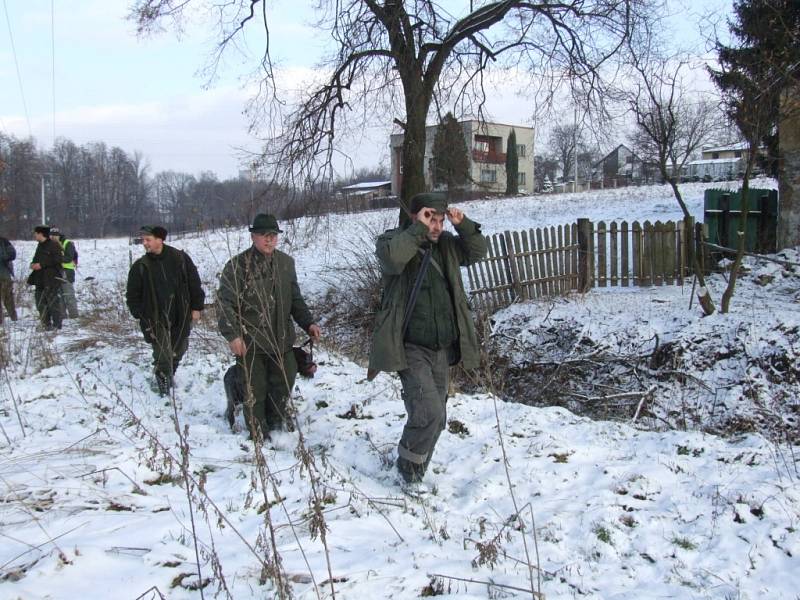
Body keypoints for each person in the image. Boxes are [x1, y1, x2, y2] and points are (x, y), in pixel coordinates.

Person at [368, 192, 487, 484]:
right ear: (414, 216)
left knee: (438, 418)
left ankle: (416, 466)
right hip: (410, 347)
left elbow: (477, 252)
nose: (435, 225)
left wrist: (464, 225)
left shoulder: (446, 245)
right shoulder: (392, 241)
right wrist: (417, 230)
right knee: (429, 413)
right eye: (429, 217)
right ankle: (407, 474)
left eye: (440, 219)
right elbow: (392, 261)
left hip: (441, 349)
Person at [217, 213, 321, 440]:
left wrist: (309, 323)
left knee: (282, 387)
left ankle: (277, 427)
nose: (269, 240)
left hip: (282, 343)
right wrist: (233, 336)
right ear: (253, 236)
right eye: (264, 235)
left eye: (273, 235)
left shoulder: (286, 263)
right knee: (256, 391)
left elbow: (295, 300)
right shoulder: (237, 266)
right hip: (251, 345)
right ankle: (258, 435)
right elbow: (225, 304)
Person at [126, 226, 205, 396]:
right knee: (162, 353)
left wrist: (197, 307)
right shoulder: (141, 266)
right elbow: (132, 295)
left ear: (160, 239)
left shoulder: (180, 259)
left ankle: (170, 371)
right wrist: (140, 314)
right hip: (154, 318)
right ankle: (164, 385)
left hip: (180, 313)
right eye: (143, 240)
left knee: (180, 347)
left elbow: (194, 283)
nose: (144, 243)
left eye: (148, 239)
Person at [27, 225, 64, 331]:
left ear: (40, 233)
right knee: (40, 303)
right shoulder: (40, 245)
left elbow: (58, 260)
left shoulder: (53, 245)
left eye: (35, 233)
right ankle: (46, 324)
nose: (34, 235)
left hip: (51, 279)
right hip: (39, 279)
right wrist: (33, 264)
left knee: (53, 303)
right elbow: (36, 259)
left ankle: (57, 325)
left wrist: (42, 264)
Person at [49, 227, 80, 318]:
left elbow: (68, 258)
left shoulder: (67, 244)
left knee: (68, 294)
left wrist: (55, 259)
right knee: (59, 296)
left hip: (67, 272)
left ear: (59, 236)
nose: (53, 237)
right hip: (56, 272)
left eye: (55, 235)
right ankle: (62, 315)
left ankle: (74, 315)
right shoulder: (50, 245)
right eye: (51, 235)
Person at [0, 235, 18, 324]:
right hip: (5, 275)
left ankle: (13, 319)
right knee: (8, 298)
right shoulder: (4, 241)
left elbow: (12, 254)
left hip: (4, 275)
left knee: (8, 298)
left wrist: (5, 257)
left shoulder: (4, 242)